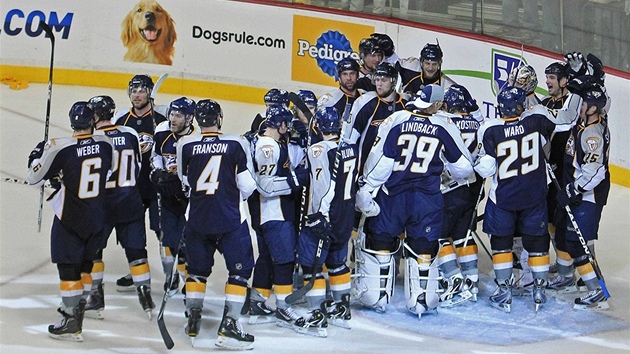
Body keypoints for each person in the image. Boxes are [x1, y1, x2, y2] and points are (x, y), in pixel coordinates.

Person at [355, 84, 473, 318]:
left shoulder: (396, 119)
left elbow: (382, 162)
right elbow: (463, 168)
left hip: (393, 196)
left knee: (381, 242)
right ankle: (421, 301)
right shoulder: (443, 125)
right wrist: (444, 170)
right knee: (424, 249)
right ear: (437, 105)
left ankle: (376, 295)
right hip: (427, 200)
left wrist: (367, 188)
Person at [27, 101, 114, 341]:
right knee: (86, 266)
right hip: (97, 217)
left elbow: (34, 177)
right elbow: (108, 171)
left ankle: (70, 319)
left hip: (71, 217)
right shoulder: (106, 144)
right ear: (92, 122)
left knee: (68, 269)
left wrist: (38, 154)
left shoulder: (59, 147)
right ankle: (78, 312)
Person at [176, 99, 257, 349]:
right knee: (240, 271)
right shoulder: (236, 143)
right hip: (230, 219)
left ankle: (193, 316)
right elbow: (248, 185)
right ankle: (229, 325)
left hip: (197, 218)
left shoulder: (185, 144)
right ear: (219, 119)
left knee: (197, 271)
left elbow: (185, 180)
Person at [474, 86, 559, 313]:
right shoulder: (536, 121)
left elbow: (486, 168)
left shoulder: (490, 129)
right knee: (538, 242)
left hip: (503, 199)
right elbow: (554, 129)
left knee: (501, 242)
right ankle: (539, 289)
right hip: (534, 196)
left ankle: (504, 290)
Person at [294, 106, 358, 337]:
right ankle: (342, 309)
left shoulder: (318, 150)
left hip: (325, 217)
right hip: (345, 217)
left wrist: (317, 216)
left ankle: (316, 316)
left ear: (318, 127)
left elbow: (322, 186)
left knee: (311, 265)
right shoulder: (350, 147)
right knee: (337, 263)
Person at [89, 95, 155, 320]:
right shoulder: (130, 133)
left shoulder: (93, 139)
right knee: (137, 253)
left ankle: (96, 299)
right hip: (130, 201)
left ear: (96, 115)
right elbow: (137, 166)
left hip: (102, 205)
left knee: (93, 252)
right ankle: (146, 299)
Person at [550, 85, 610, 311]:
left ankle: (595, 290)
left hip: (587, 197)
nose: (580, 106)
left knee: (577, 243)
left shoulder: (592, 133)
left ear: (593, 108)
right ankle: (566, 276)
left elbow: (596, 171)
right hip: (575, 191)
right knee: (564, 234)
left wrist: (573, 190)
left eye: (583, 103)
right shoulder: (585, 124)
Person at [112, 74, 167, 291]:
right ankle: (136, 270)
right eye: (133, 90)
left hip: (157, 187)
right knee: (131, 232)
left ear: (150, 93)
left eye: (142, 90)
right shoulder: (121, 118)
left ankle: (172, 275)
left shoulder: (163, 116)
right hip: (131, 187)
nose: (136, 95)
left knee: (163, 232)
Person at [435, 85, 484, 306]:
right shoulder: (479, 124)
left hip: (450, 188)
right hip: (473, 188)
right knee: (464, 233)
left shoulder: (445, 123)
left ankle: (453, 279)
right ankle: (472, 281)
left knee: (440, 235)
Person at [150, 97, 197, 295]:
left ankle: (188, 280)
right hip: (167, 197)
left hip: (190, 200)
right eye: (171, 114)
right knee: (166, 240)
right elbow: (156, 157)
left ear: (189, 118)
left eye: (178, 115)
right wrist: (158, 174)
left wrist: (184, 183)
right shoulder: (162, 131)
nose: (173, 119)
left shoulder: (198, 138)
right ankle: (170, 278)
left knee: (187, 242)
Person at [349, 62, 406, 175]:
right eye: (377, 80)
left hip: (395, 170)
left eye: (384, 80)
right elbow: (351, 138)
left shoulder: (406, 104)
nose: (379, 84)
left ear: (393, 82)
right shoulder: (365, 102)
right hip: (366, 170)